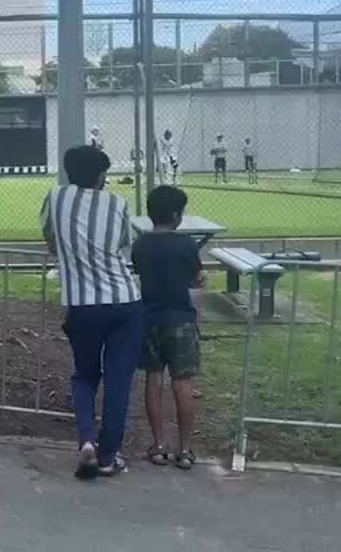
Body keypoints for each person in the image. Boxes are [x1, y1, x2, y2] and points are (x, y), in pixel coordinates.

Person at [40, 145, 142, 480]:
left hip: (81, 303)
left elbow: (50, 240)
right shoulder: (117, 204)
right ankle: (109, 456)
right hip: (124, 300)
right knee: (118, 381)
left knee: (84, 375)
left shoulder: (55, 198)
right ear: (100, 176)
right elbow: (121, 245)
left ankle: (86, 439)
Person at [132, 185, 204, 472]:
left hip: (149, 318)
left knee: (153, 378)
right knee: (182, 382)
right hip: (181, 319)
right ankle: (185, 448)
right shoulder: (187, 245)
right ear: (176, 214)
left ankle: (159, 443)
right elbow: (194, 277)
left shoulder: (140, 245)